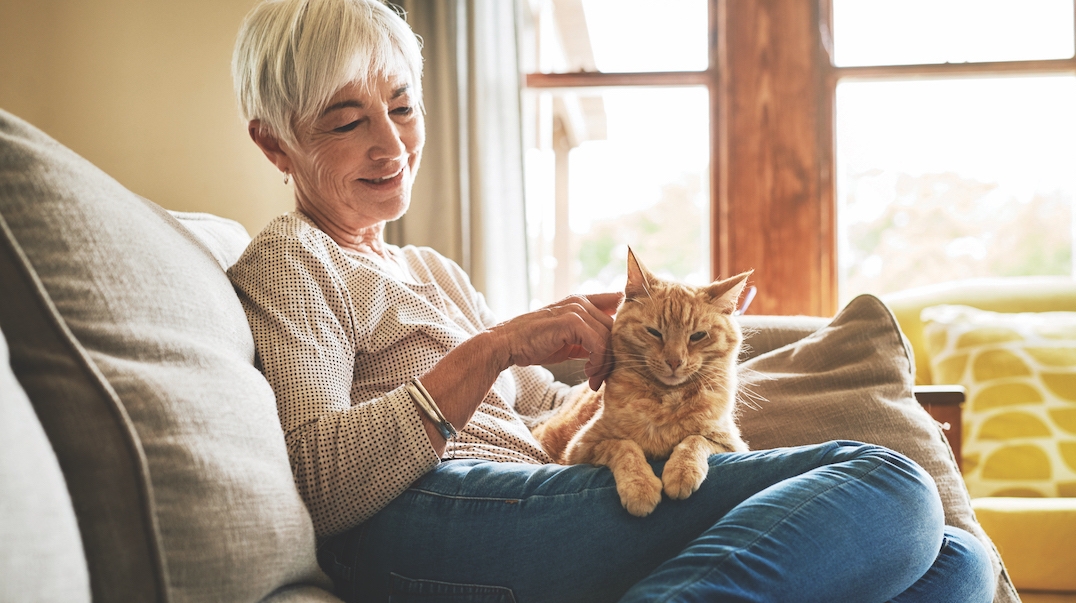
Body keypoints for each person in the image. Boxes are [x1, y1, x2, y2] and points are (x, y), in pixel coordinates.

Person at [226, 1, 995, 601]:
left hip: (540, 498)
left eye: (401, 106)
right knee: (891, 484)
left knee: (959, 563)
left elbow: (543, 413)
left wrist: (607, 348)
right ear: (274, 144)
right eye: (348, 121)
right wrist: (496, 344)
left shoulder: (429, 268)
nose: (391, 144)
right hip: (426, 526)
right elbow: (321, 484)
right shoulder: (294, 257)